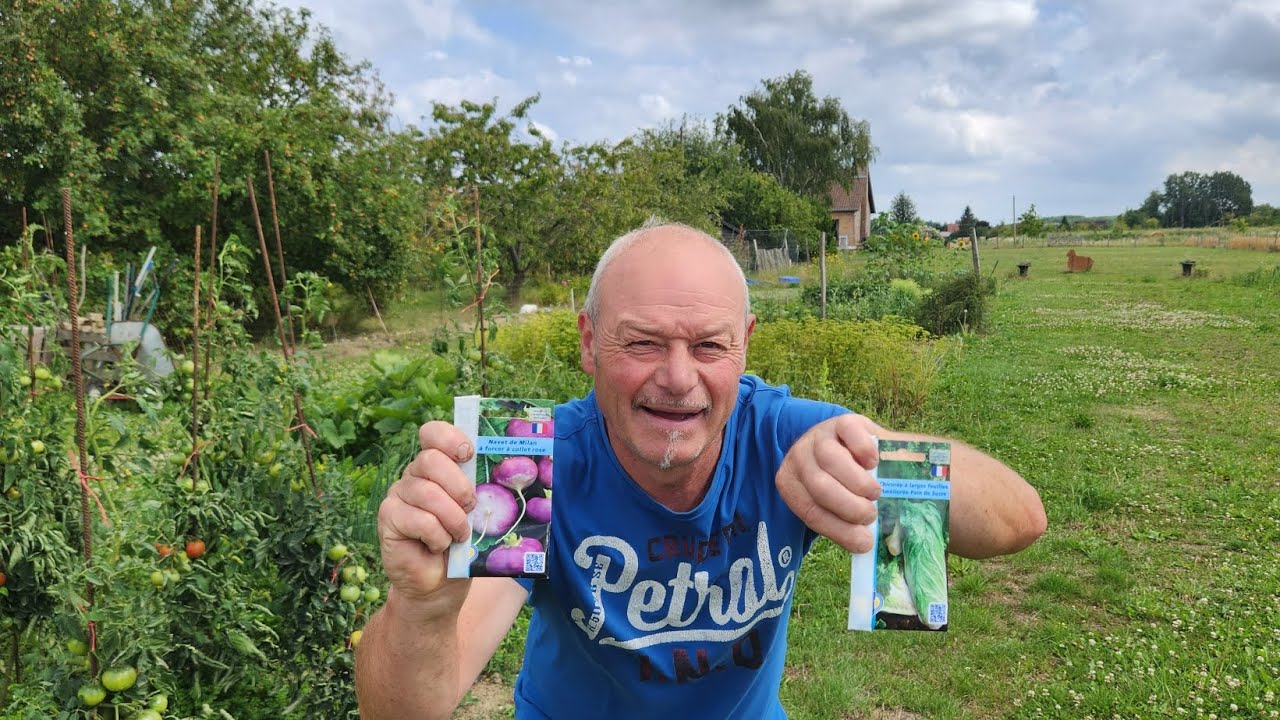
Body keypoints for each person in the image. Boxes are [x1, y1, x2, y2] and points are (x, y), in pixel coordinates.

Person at [354, 221, 1047, 720]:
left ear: (745, 345)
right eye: (644, 342)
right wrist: (420, 608)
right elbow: (409, 709)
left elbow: (1021, 520)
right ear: (590, 343)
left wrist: (882, 463)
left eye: (709, 345)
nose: (678, 379)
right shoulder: (532, 465)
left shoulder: (786, 435)